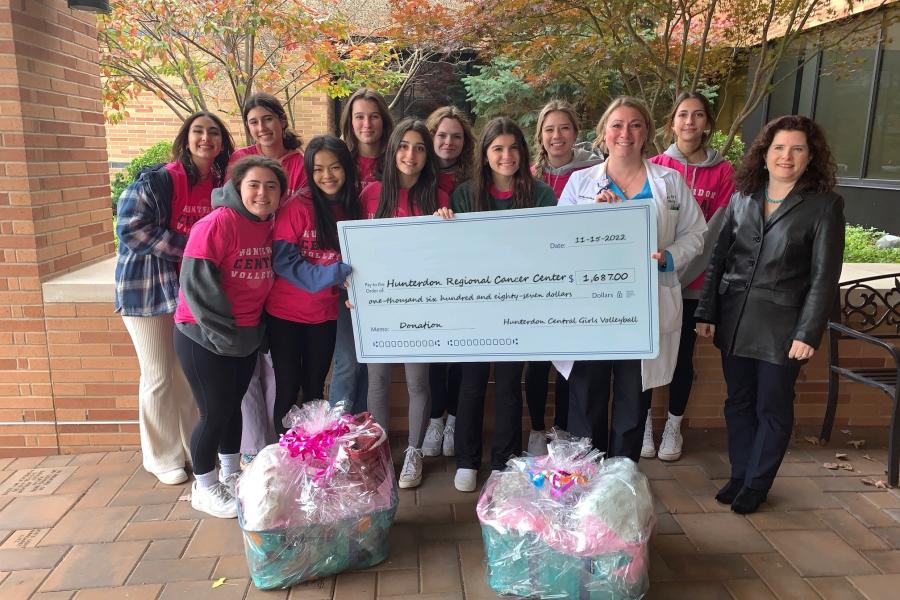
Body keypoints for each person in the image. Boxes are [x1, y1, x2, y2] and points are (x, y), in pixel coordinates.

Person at [695, 115, 844, 514]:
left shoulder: (824, 205)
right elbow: (719, 257)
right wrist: (707, 311)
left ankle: (758, 484)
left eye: (797, 148)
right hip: (736, 319)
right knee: (738, 401)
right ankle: (740, 474)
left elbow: (824, 278)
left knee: (772, 407)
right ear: (764, 154)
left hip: (783, 328)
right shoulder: (744, 195)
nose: (787, 156)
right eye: (779, 147)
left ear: (810, 156)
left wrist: (808, 333)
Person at [558, 96, 706, 463]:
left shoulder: (669, 182)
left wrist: (671, 257)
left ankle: (622, 482)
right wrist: (592, 219)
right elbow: (558, 242)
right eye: (617, 125)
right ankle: (586, 481)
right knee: (586, 399)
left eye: (635, 125)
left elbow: (696, 233)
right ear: (603, 134)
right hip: (591, 311)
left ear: (647, 134)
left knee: (631, 401)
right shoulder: (580, 184)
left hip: (642, 310)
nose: (626, 132)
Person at [437, 117, 557, 492]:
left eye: (513, 148)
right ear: (485, 154)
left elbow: (549, 249)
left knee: (508, 384)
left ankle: (505, 461)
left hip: (519, 307)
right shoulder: (465, 195)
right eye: (497, 149)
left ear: (523, 151)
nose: (506, 156)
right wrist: (444, 224)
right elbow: (453, 250)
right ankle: (468, 460)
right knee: (471, 383)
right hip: (474, 307)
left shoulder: (540, 195)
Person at [115, 111, 234, 486]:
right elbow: (130, 228)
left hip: (189, 292)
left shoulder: (218, 184)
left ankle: (188, 447)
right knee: (158, 373)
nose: (206, 139)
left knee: (185, 373)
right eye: (199, 132)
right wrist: (191, 248)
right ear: (186, 138)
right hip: (146, 291)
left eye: (214, 133)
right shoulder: (158, 181)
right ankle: (160, 456)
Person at [174, 155, 285, 518]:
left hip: (244, 335)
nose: (262, 193)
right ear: (238, 187)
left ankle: (230, 472)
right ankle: (204, 487)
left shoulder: (267, 225)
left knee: (232, 407)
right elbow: (198, 287)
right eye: (254, 184)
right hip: (203, 334)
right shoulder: (217, 223)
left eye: (271, 186)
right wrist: (225, 337)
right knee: (214, 411)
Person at [641, 92, 736, 462]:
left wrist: (684, 270)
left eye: (698, 115)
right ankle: (646, 425)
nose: (690, 122)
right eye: (683, 115)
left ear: (708, 123)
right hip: (656, 278)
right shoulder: (654, 165)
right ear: (672, 123)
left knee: (682, 358)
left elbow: (714, 232)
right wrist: (665, 268)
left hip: (695, 283)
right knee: (648, 357)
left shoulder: (723, 172)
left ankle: (673, 429)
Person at [357, 118, 450, 489]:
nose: (410, 155)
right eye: (404, 146)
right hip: (378, 305)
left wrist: (448, 225)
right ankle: (379, 452)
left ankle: (413, 452)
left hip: (420, 307)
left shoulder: (438, 198)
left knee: (417, 382)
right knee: (377, 381)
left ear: (428, 155)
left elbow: (445, 256)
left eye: (420, 148)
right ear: (393, 148)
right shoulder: (370, 194)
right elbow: (356, 253)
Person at [229, 93, 306, 464]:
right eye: (254, 122)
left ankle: (280, 441)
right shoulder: (238, 161)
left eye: (268, 119)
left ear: (282, 121)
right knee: (246, 370)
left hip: (283, 277)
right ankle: (251, 447)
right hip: (245, 268)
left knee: (276, 367)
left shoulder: (300, 163)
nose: (262, 128)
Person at [525, 100, 605, 455]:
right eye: (549, 129)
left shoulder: (596, 173)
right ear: (540, 136)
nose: (556, 136)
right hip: (537, 285)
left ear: (575, 132)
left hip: (579, 287)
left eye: (564, 128)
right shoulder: (528, 176)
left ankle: (564, 429)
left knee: (573, 365)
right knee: (538, 362)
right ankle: (537, 429)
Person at [266, 136, 356, 434]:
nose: (327, 176)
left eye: (334, 168)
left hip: (325, 315)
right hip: (285, 315)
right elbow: (284, 262)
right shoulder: (296, 207)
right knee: (288, 388)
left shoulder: (351, 207)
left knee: (315, 388)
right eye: (318, 169)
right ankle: (283, 455)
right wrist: (335, 273)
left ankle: (310, 458)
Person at [332, 88, 395, 413]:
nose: (367, 123)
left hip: (388, 279)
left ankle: (367, 439)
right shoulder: (339, 161)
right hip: (346, 277)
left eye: (373, 116)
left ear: (383, 120)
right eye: (359, 116)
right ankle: (337, 441)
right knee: (347, 362)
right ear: (349, 121)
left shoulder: (397, 159)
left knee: (376, 367)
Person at [421, 106, 476, 458]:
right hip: (427, 282)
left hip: (466, 281)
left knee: (460, 358)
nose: (449, 142)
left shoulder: (473, 178)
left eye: (456, 136)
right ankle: (434, 420)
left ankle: (454, 419)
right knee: (433, 359)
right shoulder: (417, 172)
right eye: (442, 135)